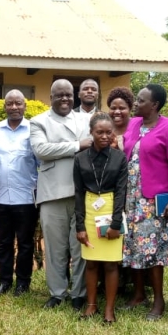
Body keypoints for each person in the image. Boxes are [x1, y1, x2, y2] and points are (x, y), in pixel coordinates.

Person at [122, 83, 168, 321]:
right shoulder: (134, 124)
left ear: (155, 104)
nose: (135, 104)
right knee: (133, 246)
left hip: (153, 201)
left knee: (153, 250)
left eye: (140, 100)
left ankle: (159, 300)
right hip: (131, 198)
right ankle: (139, 295)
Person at [31, 79, 91, 310]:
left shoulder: (85, 119)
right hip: (53, 193)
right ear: (51, 98)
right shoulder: (39, 121)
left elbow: (95, 143)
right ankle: (57, 293)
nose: (65, 98)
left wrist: (77, 145)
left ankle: (79, 293)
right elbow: (41, 150)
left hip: (83, 192)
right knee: (55, 248)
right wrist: (77, 145)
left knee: (80, 246)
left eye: (68, 94)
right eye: (59, 95)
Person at [74, 112, 127, 323]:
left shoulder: (119, 158)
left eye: (108, 132)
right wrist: (80, 226)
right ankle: (91, 306)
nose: (104, 136)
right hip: (89, 209)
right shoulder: (80, 158)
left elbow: (121, 191)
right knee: (91, 263)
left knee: (111, 264)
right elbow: (78, 192)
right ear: (91, 132)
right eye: (99, 132)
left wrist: (116, 223)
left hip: (111, 208)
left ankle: (109, 310)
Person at [0, 90, 38, 296]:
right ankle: (4, 281)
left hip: (27, 197)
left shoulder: (34, 130)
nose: (14, 107)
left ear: (25, 106)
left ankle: (23, 283)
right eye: (10, 103)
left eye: (18, 103)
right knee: (4, 242)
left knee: (25, 243)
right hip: (0, 197)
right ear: (5, 107)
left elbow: (41, 164)